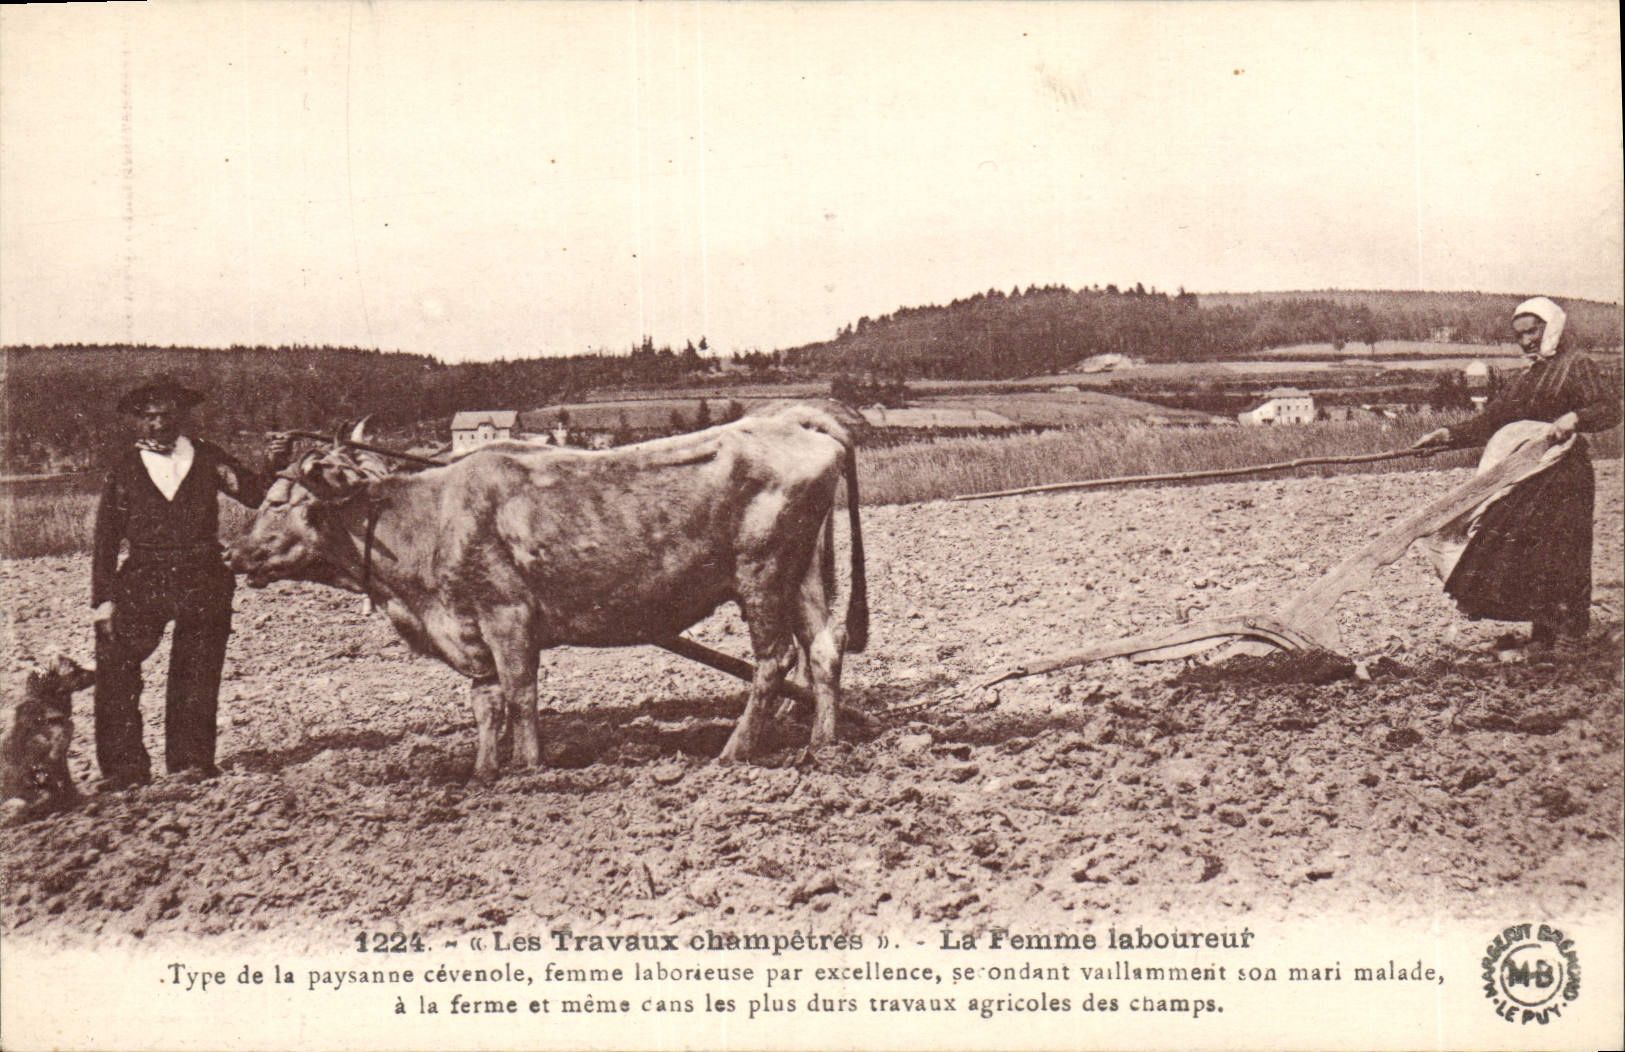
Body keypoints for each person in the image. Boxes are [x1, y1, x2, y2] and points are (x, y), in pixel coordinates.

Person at [90, 378, 293, 789]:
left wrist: (275, 462)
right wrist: (104, 600)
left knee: (197, 672)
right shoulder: (123, 466)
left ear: (181, 417)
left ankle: (191, 762)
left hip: (203, 577)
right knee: (116, 668)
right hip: (143, 577)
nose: (158, 423)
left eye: (166, 415)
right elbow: (106, 537)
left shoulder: (207, 456)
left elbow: (256, 495)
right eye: (149, 416)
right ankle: (124, 769)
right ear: (138, 421)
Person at [1412, 296, 1620, 648]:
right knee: (1520, 549)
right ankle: (1544, 631)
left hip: (1564, 475)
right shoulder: (1530, 376)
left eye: (1533, 331)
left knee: (1560, 552)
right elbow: (1494, 420)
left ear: (1552, 326)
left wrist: (1575, 418)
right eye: (1520, 335)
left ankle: (1563, 635)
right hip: (1527, 474)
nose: (1526, 341)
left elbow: (1610, 409)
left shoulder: (1576, 364)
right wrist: (1448, 436)